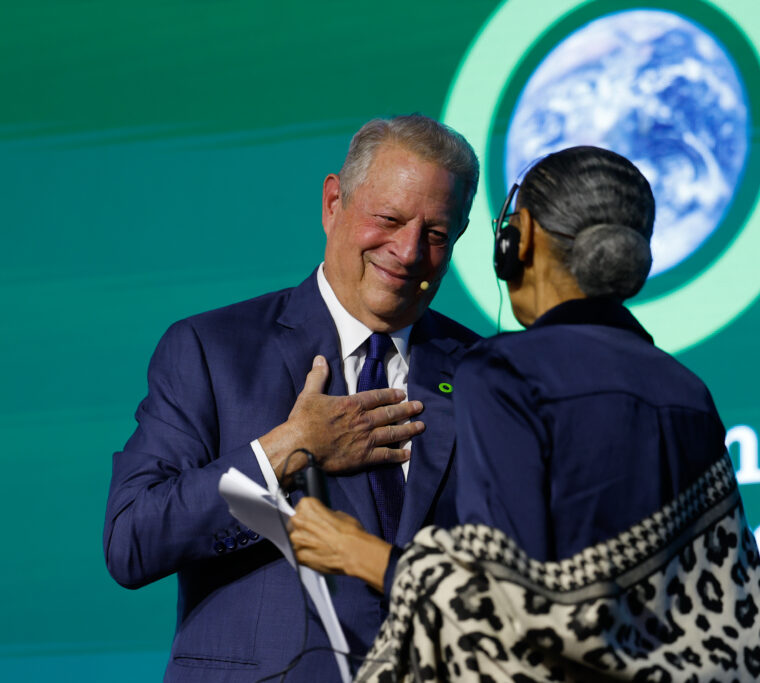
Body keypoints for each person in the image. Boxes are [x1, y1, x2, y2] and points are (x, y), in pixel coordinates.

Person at [290, 146, 760, 681]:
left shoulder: (504, 372)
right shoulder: (688, 392)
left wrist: (355, 552)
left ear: (521, 239)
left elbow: (502, 605)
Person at [102, 114, 481, 682]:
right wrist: (285, 451)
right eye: (388, 219)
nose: (407, 252)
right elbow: (132, 541)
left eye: (435, 234)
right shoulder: (212, 350)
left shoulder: (487, 376)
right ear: (333, 203)